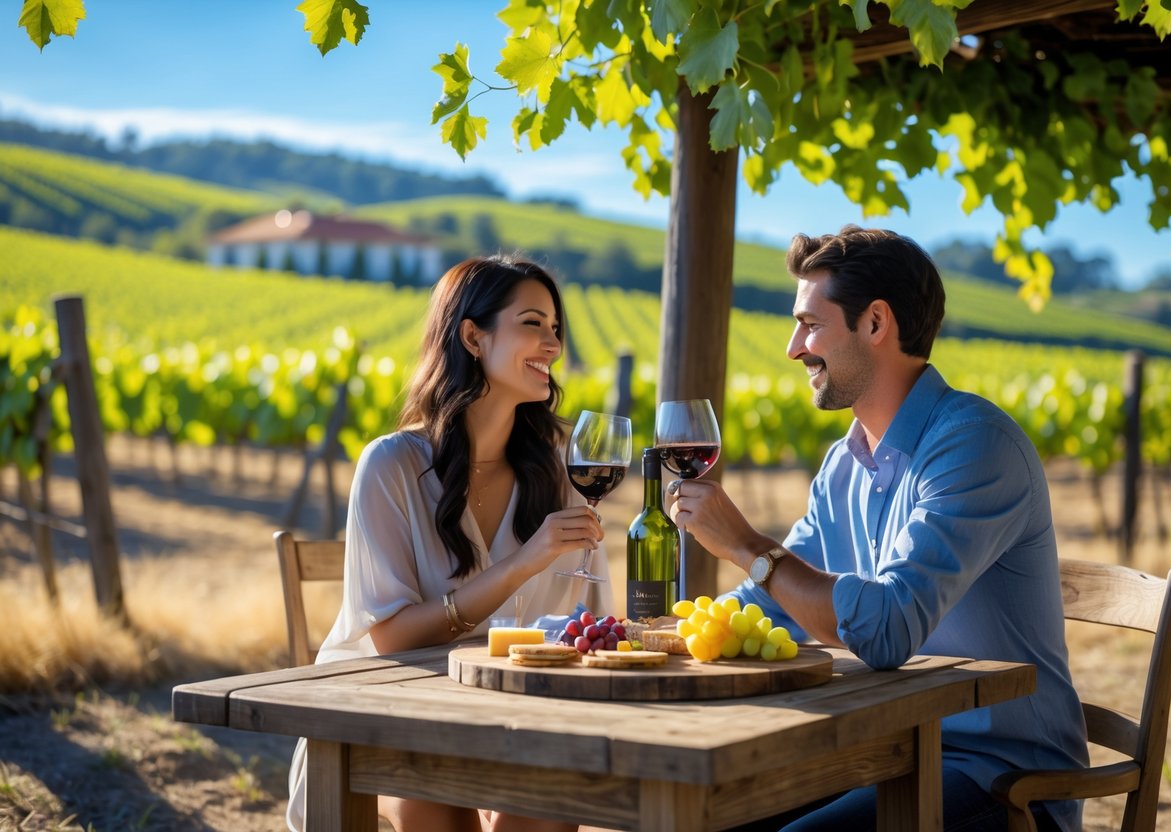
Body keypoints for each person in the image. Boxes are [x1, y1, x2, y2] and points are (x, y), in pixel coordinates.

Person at [668, 226, 1089, 832]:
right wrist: (673, 636)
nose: (793, 347)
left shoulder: (974, 446)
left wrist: (747, 545)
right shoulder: (846, 463)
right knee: (701, 815)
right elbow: (777, 603)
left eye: (810, 324)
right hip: (884, 753)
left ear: (875, 323)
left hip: (1003, 780)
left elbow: (888, 628)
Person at [286, 255, 612, 832]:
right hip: (391, 714)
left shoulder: (560, 471)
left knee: (547, 805)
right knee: (441, 808)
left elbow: (586, 625)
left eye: (557, 329)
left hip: (515, 718)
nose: (553, 344)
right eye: (533, 323)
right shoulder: (392, 466)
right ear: (472, 336)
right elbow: (390, 639)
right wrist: (523, 562)